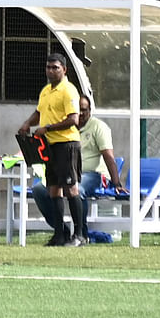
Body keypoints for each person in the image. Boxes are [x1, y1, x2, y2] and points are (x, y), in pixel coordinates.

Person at [29, 93, 127, 240]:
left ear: (90, 110)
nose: (80, 114)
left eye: (84, 110)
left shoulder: (99, 127)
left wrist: (117, 182)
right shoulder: (62, 127)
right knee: (39, 190)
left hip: (93, 174)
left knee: (77, 189)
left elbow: (108, 156)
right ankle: (62, 231)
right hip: (67, 172)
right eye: (77, 110)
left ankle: (81, 234)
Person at [17, 52, 86, 247]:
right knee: (53, 189)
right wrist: (27, 124)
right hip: (49, 146)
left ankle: (79, 235)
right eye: (48, 67)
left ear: (64, 69)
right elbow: (40, 112)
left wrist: (47, 128)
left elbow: (73, 119)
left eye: (55, 67)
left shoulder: (69, 90)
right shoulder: (46, 91)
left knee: (71, 188)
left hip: (66, 144)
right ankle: (59, 235)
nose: (51, 71)